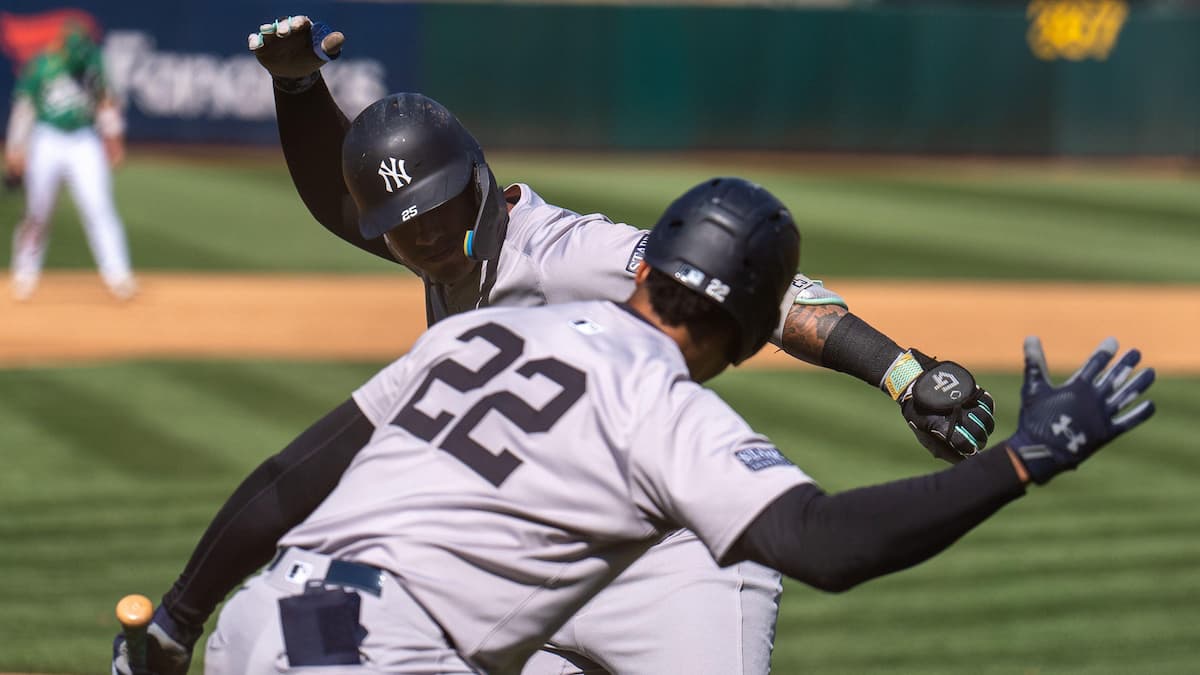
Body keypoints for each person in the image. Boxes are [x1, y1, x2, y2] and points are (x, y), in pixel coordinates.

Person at [113, 16, 1003, 675]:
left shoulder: (569, 251)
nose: (417, 243)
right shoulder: (449, 243)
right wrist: (300, 90)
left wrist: (897, 368)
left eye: (431, 221)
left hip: (668, 562)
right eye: (401, 233)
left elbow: (756, 289)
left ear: (478, 180)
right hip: (536, 564)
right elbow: (343, 200)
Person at [113, 176, 1155, 674]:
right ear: (750, 340)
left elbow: (286, 483)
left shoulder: (476, 335)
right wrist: (1023, 459)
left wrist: (170, 627)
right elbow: (825, 547)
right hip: (375, 661)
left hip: (264, 623)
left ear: (643, 266)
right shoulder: (664, 411)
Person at [3, 20, 135, 301]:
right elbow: (25, 108)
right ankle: (25, 274)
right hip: (46, 138)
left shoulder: (92, 61)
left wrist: (113, 137)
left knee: (98, 206)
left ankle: (118, 275)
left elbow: (105, 101)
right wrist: (16, 147)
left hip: (84, 140)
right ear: (62, 45)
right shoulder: (41, 65)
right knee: (38, 210)